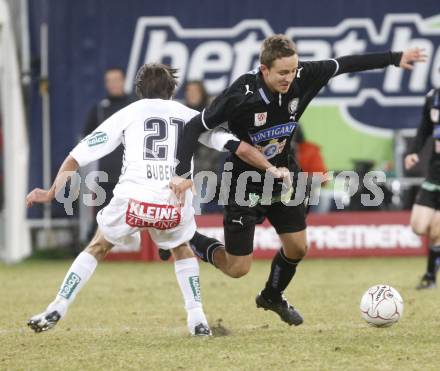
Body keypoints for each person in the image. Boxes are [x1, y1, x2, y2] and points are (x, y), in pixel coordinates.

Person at [172, 34, 426, 326]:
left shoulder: (303, 76)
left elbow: (345, 64)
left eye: (292, 70)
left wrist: (394, 58)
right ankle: (188, 238)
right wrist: (182, 174)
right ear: (263, 69)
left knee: (298, 248)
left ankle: (271, 296)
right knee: (237, 268)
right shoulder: (241, 93)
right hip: (243, 185)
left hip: (283, 178)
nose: (289, 78)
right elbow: (194, 127)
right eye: (282, 72)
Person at [26, 64, 221, 336]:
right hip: (173, 202)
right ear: (172, 89)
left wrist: (49, 192)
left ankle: (58, 306)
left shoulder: (128, 113)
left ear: (139, 90)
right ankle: (197, 319)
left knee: (97, 246)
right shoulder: (190, 115)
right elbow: (226, 141)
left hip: (132, 200)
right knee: (182, 249)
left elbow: (77, 156)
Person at [83, 67, 135, 240]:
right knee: (102, 214)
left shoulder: (135, 105)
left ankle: (161, 246)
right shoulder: (99, 109)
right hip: (107, 172)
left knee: (142, 209)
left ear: (123, 81)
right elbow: (87, 138)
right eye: (109, 81)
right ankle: (89, 246)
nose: (113, 84)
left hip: (134, 172)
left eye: (116, 79)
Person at [405, 86, 440, 289]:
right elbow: (424, 129)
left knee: (436, 230)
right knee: (418, 227)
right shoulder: (432, 97)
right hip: (434, 173)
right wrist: (414, 152)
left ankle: (430, 277)